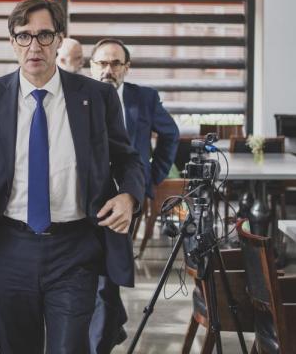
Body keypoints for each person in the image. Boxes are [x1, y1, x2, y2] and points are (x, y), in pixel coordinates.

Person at [0, 0, 145, 354]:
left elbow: (130, 161)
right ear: (12, 42)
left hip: (74, 249)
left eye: (45, 35)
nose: (34, 46)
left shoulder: (96, 97)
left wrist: (128, 195)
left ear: (60, 39)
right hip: (6, 249)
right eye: (24, 36)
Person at [87, 38, 180, 354]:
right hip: (90, 196)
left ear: (126, 67)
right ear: (91, 66)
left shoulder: (144, 98)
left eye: (115, 63)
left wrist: (150, 180)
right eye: (102, 63)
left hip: (129, 195)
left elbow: (170, 135)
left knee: (108, 269)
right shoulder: (80, 97)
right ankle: (110, 326)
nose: (108, 69)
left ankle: (101, 338)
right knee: (104, 267)